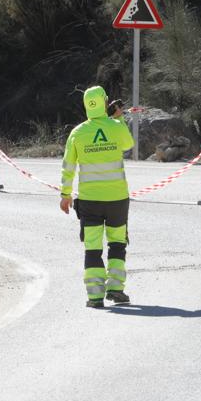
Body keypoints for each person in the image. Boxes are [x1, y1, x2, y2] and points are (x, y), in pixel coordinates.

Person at [59, 85, 135, 308]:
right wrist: (118, 119)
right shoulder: (115, 126)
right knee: (117, 244)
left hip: (89, 201)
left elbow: (68, 167)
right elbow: (129, 144)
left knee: (92, 248)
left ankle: (94, 296)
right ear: (104, 102)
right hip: (117, 200)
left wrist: (65, 195)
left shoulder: (77, 133)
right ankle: (116, 289)